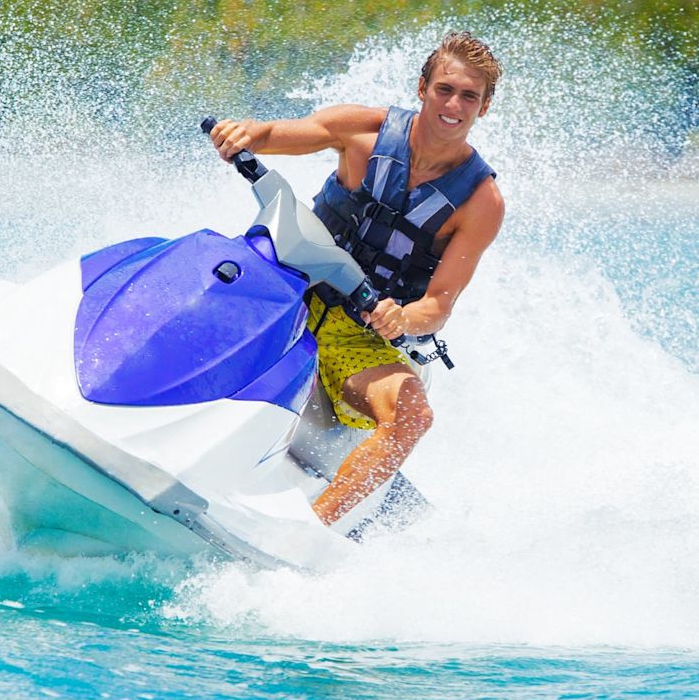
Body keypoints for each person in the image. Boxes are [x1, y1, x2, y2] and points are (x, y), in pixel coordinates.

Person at [209, 31, 504, 527]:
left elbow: (438, 305)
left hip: (359, 333)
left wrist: (402, 317)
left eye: (469, 96)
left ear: (484, 107)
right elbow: (274, 134)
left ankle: (312, 530)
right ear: (422, 88)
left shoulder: (481, 202)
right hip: (290, 288)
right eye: (444, 89)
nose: (453, 105)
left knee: (413, 417)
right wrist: (244, 135)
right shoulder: (362, 131)